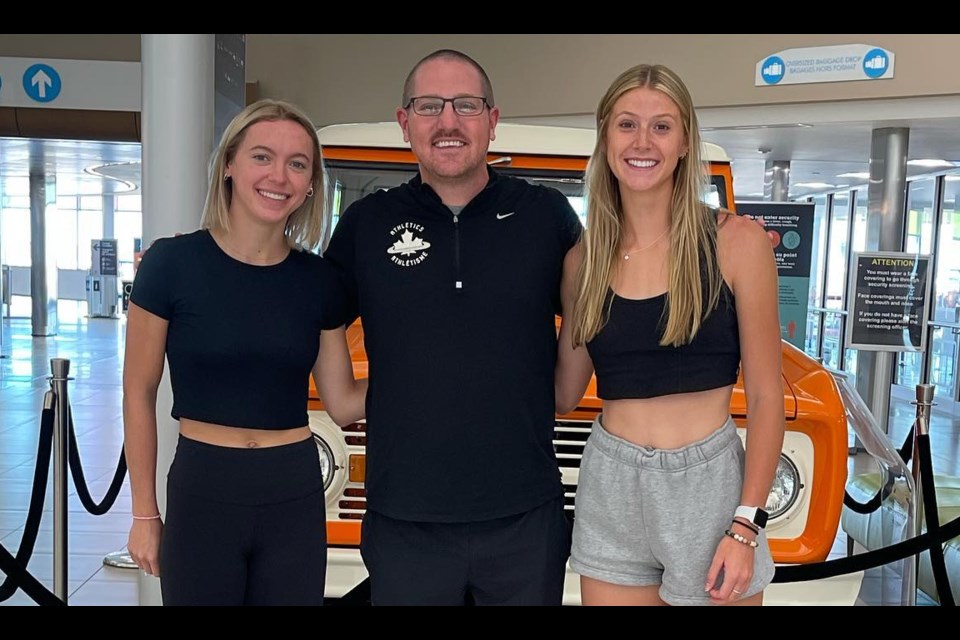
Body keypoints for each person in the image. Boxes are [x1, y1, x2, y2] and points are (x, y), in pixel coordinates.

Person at [323, 49, 582, 605]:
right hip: (404, 519)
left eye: (466, 105)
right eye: (429, 106)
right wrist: (201, 262)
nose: (447, 122)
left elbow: (597, 304)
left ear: (492, 119)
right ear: (404, 122)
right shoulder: (366, 224)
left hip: (526, 518)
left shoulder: (547, 215)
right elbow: (306, 306)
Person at [555, 64, 783, 606]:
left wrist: (746, 523)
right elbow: (563, 392)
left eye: (662, 126)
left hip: (710, 485)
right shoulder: (582, 261)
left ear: (684, 142)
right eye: (627, 124)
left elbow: (769, 395)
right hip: (612, 480)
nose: (642, 141)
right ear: (606, 138)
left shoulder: (737, 243)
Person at [124, 99, 366, 605]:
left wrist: (437, 366)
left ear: (310, 184)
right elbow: (138, 390)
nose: (279, 175)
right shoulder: (171, 264)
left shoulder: (319, 281)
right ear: (229, 165)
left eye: (298, 164)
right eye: (262, 156)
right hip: (203, 488)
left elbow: (342, 402)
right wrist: (144, 512)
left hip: (293, 492)